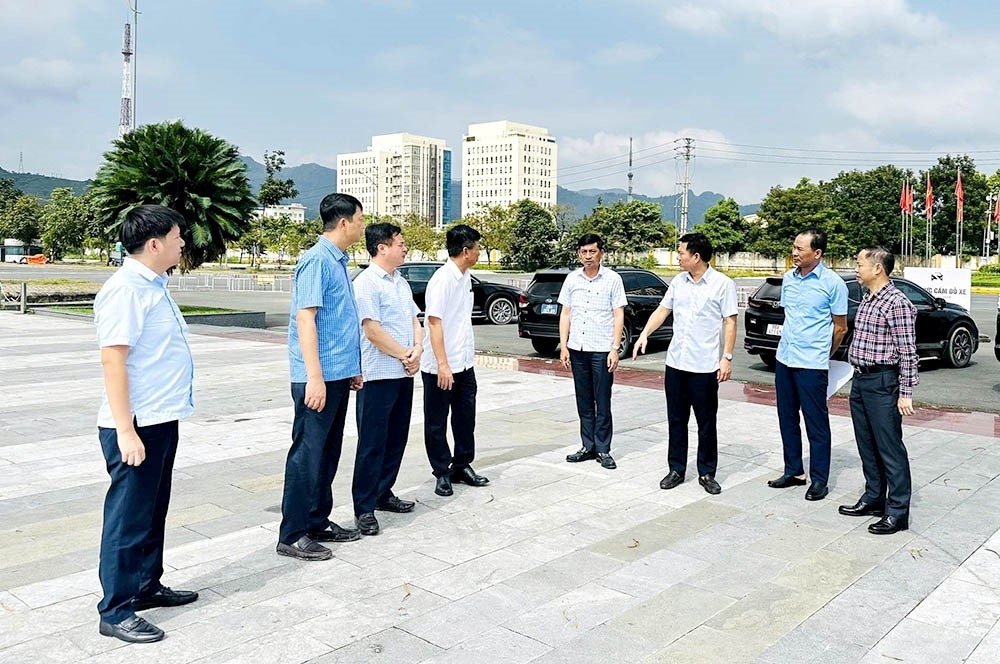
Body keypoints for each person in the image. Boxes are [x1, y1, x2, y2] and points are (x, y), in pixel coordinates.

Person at [93, 205, 199, 643]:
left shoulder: (155, 285)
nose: (182, 243)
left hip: (160, 418)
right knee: (128, 517)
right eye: (177, 237)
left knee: (152, 509)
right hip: (136, 424)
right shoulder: (126, 290)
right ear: (153, 244)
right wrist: (125, 430)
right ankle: (115, 610)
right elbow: (113, 359)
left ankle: (146, 585)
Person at [277, 193, 365, 561]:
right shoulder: (316, 261)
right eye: (360, 219)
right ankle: (292, 533)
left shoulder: (338, 262)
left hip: (336, 374)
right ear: (343, 222)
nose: (363, 225)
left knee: (328, 452)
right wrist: (314, 376)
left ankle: (317, 519)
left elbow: (340, 321)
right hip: (317, 376)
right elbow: (305, 318)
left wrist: (351, 368)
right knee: (306, 455)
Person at [634, 233, 738, 494]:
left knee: (706, 421)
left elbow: (730, 322)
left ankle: (706, 472)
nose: (678, 257)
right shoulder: (678, 282)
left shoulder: (722, 284)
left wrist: (726, 357)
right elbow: (662, 310)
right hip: (676, 364)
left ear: (696, 256)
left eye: (681, 252)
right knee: (676, 420)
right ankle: (676, 469)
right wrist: (644, 334)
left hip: (704, 367)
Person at [839, 247, 917, 535]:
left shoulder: (897, 303)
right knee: (867, 445)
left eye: (860, 264)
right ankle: (874, 498)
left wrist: (905, 392)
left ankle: (897, 511)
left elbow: (908, 352)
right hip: (861, 380)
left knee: (889, 448)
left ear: (878, 269)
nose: (856, 268)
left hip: (883, 382)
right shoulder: (869, 298)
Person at [351, 223, 422, 536]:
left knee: (396, 439)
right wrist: (406, 355)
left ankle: (384, 492)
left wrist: (418, 348)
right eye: (400, 243)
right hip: (378, 375)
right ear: (382, 248)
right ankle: (364, 507)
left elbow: (413, 320)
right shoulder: (367, 283)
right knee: (372, 444)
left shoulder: (400, 283)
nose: (404, 248)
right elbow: (372, 331)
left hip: (402, 373)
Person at [767, 228, 849, 501]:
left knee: (816, 422)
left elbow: (840, 328)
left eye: (800, 249)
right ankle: (794, 471)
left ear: (817, 253)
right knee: (786, 417)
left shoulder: (833, 283)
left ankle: (819, 479)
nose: (794, 253)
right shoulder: (789, 279)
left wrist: (823, 355)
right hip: (785, 359)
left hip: (812, 364)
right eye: (793, 247)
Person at [421, 224, 489, 496]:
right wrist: (442, 365)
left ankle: (462, 464)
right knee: (436, 421)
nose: (479, 253)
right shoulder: (442, 280)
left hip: (464, 364)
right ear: (465, 251)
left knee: (464, 418)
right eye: (477, 248)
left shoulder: (466, 277)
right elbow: (434, 323)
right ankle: (441, 471)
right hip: (441, 365)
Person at [561, 233, 627, 470]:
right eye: (583, 252)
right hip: (577, 348)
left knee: (603, 400)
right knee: (584, 401)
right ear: (579, 253)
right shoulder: (572, 279)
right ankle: (587, 446)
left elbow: (618, 314)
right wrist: (564, 345)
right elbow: (566, 313)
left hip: (601, 350)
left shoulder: (613, 279)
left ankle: (603, 449)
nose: (588, 256)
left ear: (601, 253)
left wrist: (615, 348)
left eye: (592, 252)